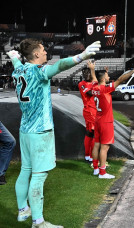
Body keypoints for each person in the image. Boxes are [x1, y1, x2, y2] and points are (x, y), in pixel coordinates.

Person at [8, 39, 100, 227]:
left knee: (26, 170)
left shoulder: (18, 70)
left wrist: (13, 58)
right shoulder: (39, 71)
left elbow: (18, 62)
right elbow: (59, 65)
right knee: (39, 175)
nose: (45, 53)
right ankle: (38, 222)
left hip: (25, 129)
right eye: (42, 50)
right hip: (40, 131)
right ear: (35, 54)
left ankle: (22, 211)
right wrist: (81, 57)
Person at [91, 60, 134, 179]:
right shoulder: (105, 89)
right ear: (103, 79)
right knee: (104, 147)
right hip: (105, 122)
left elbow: (95, 79)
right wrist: (133, 71)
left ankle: (96, 169)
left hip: (97, 120)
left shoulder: (94, 87)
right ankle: (102, 173)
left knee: (96, 144)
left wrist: (93, 70)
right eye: (107, 75)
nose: (109, 76)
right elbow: (120, 79)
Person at [78, 61, 97, 162]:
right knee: (93, 133)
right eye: (84, 73)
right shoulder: (82, 84)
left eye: (87, 72)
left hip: (95, 110)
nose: (85, 75)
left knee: (90, 133)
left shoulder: (93, 83)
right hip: (89, 111)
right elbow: (90, 93)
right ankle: (91, 155)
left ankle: (88, 155)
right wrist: (98, 89)